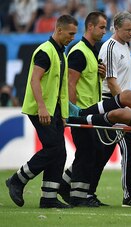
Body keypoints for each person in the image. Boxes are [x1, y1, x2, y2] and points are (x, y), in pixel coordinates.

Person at [76, 11, 131, 208]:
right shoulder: (110, 47)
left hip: (119, 103)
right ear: (116, 28)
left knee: (102, 152)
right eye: (127, 30)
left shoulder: (126, 44)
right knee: (130, 147)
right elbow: (111, 82)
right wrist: (123, 104)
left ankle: (82, 190)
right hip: (112, 103)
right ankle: (128, 195)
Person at [5, 14, 78, 208]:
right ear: (59, 29)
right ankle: (18, 179)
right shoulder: (45, 51)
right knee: (54, 149)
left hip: (54, 111)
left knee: (60, 153)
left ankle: (49, 198)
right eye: (70, 33)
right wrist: (42, 107)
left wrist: (62, 114)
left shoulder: (61, 54)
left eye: (74, 34)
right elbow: (34, 80)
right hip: (41, 109)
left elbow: (60, 87)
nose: (72, 37)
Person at [58, 11, 108, 207]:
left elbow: (86, 82)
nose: (105, 31)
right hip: (81, 112)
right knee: (87, 152)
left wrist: (100, 76)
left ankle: (66, 186)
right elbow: (71, 84)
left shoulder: (93, 51)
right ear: (90, 27)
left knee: (91, 151)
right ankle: (78, 196)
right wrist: (74, 112)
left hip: (91, 111)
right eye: (102, 27)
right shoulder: (79, 51)